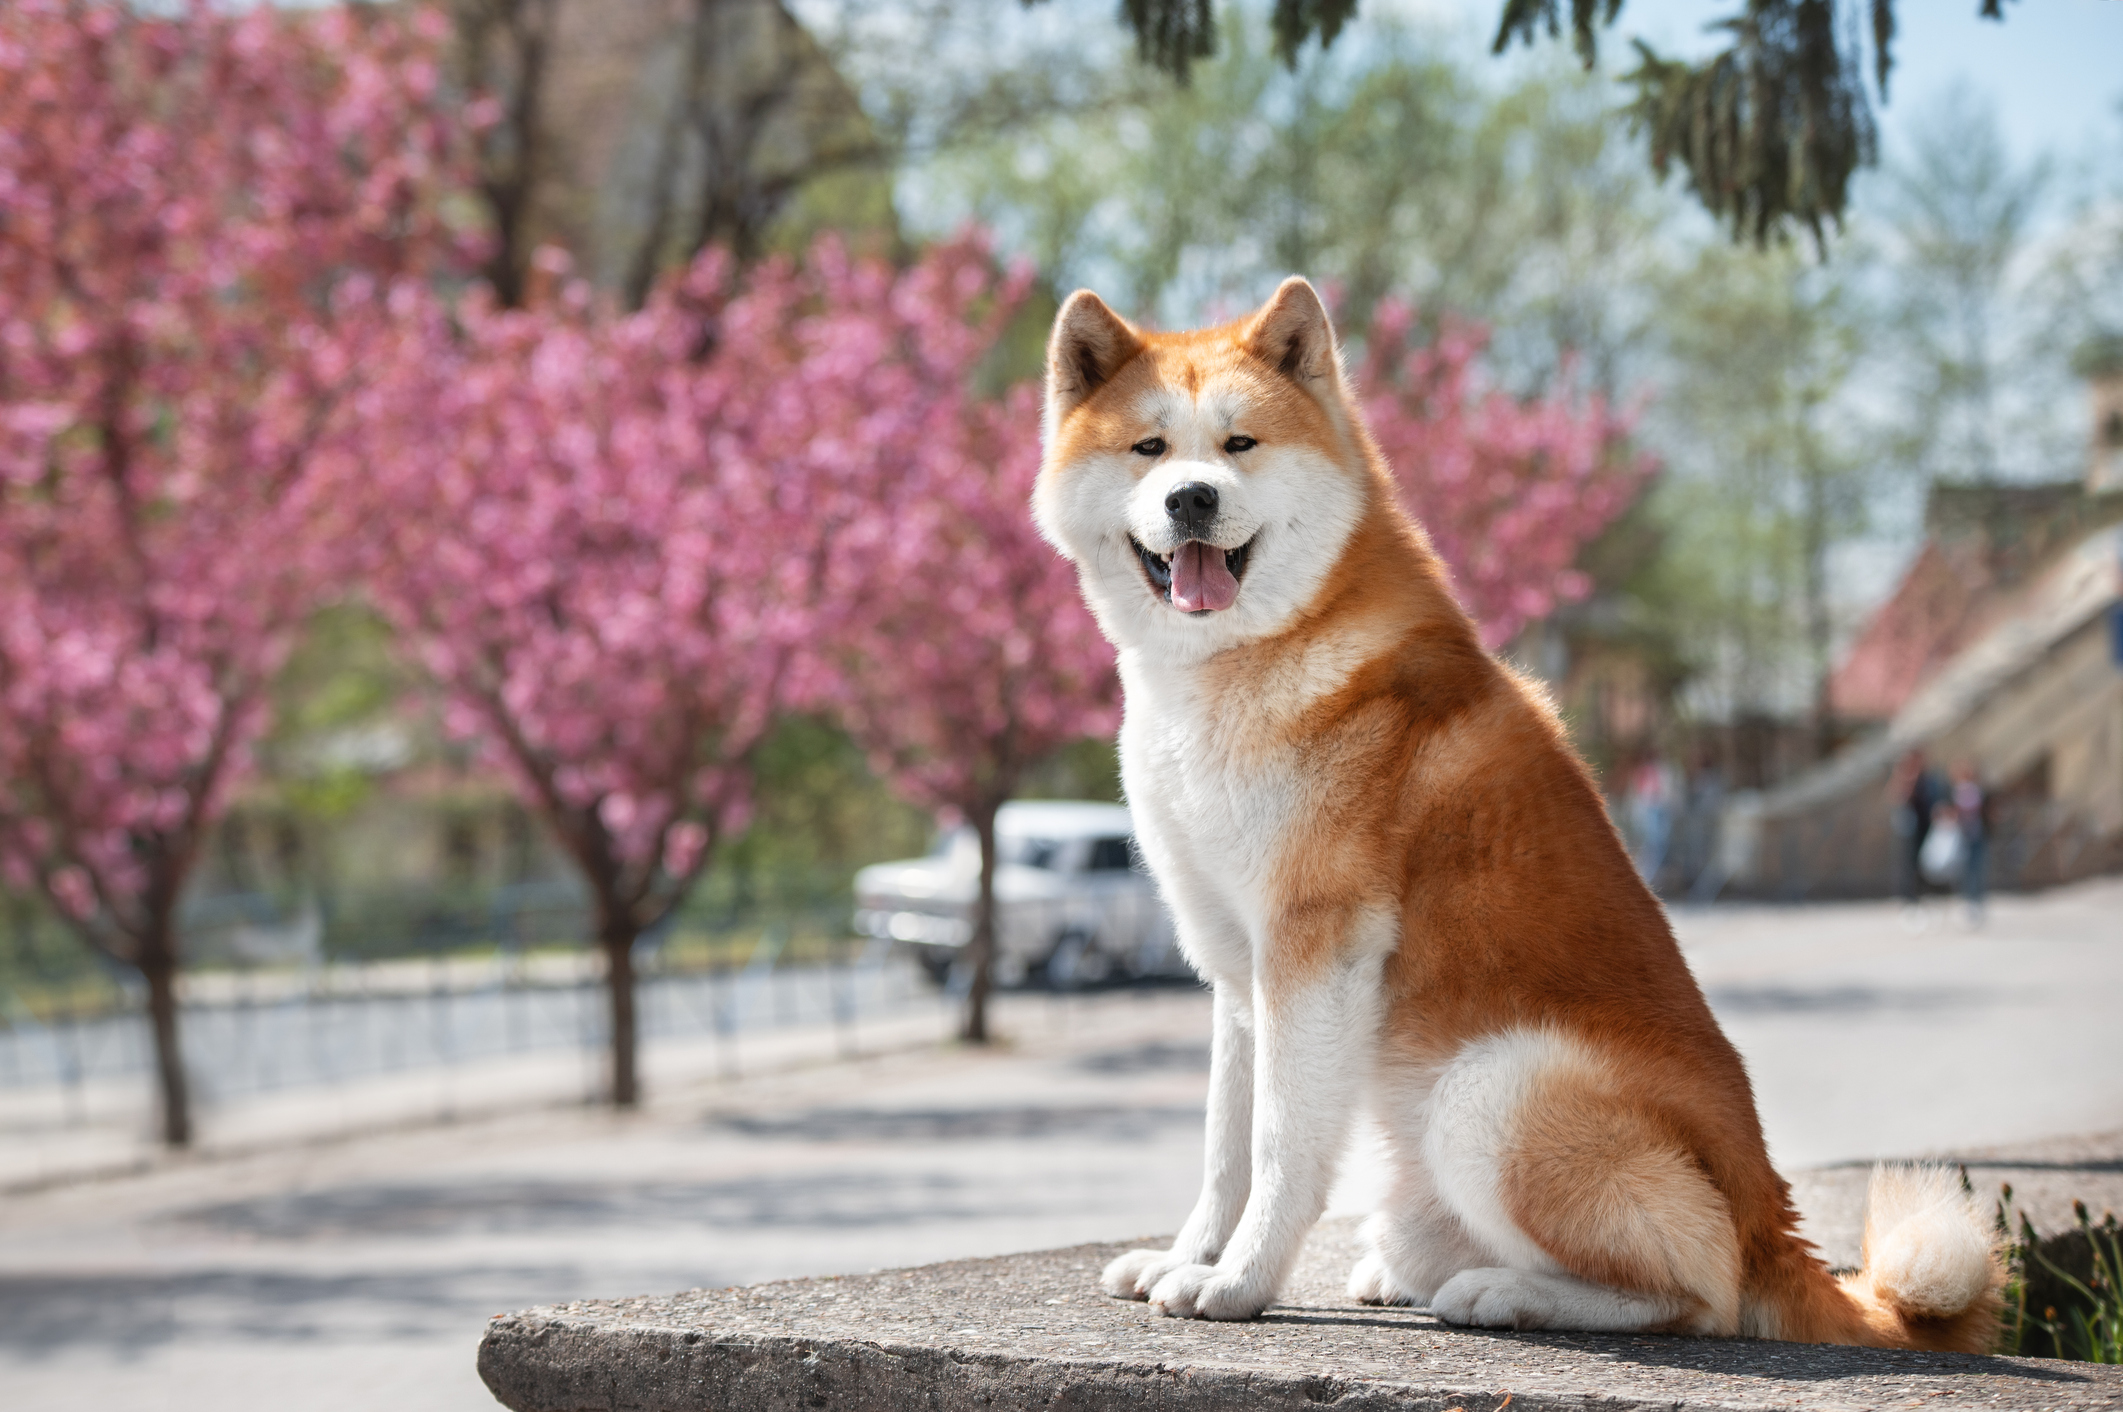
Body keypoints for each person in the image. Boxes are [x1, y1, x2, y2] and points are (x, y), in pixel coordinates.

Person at [1885, 747, 1942, 908]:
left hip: (1925, 825)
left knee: (1923, 860)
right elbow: (1895, 797)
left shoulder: (1928, 777)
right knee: (1906, 861)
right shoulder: (1904, 776)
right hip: (1908, 827)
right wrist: (1907, 779)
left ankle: (1922, 892)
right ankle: (1906, 895)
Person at [1949, 760, 1991, 925]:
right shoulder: (1954, 791)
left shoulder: (1978, 790)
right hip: (1960, 837)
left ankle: (1976, 901)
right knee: (1963, 870)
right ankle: (1965, 901)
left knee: (1977, 869)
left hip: (1977, 835)